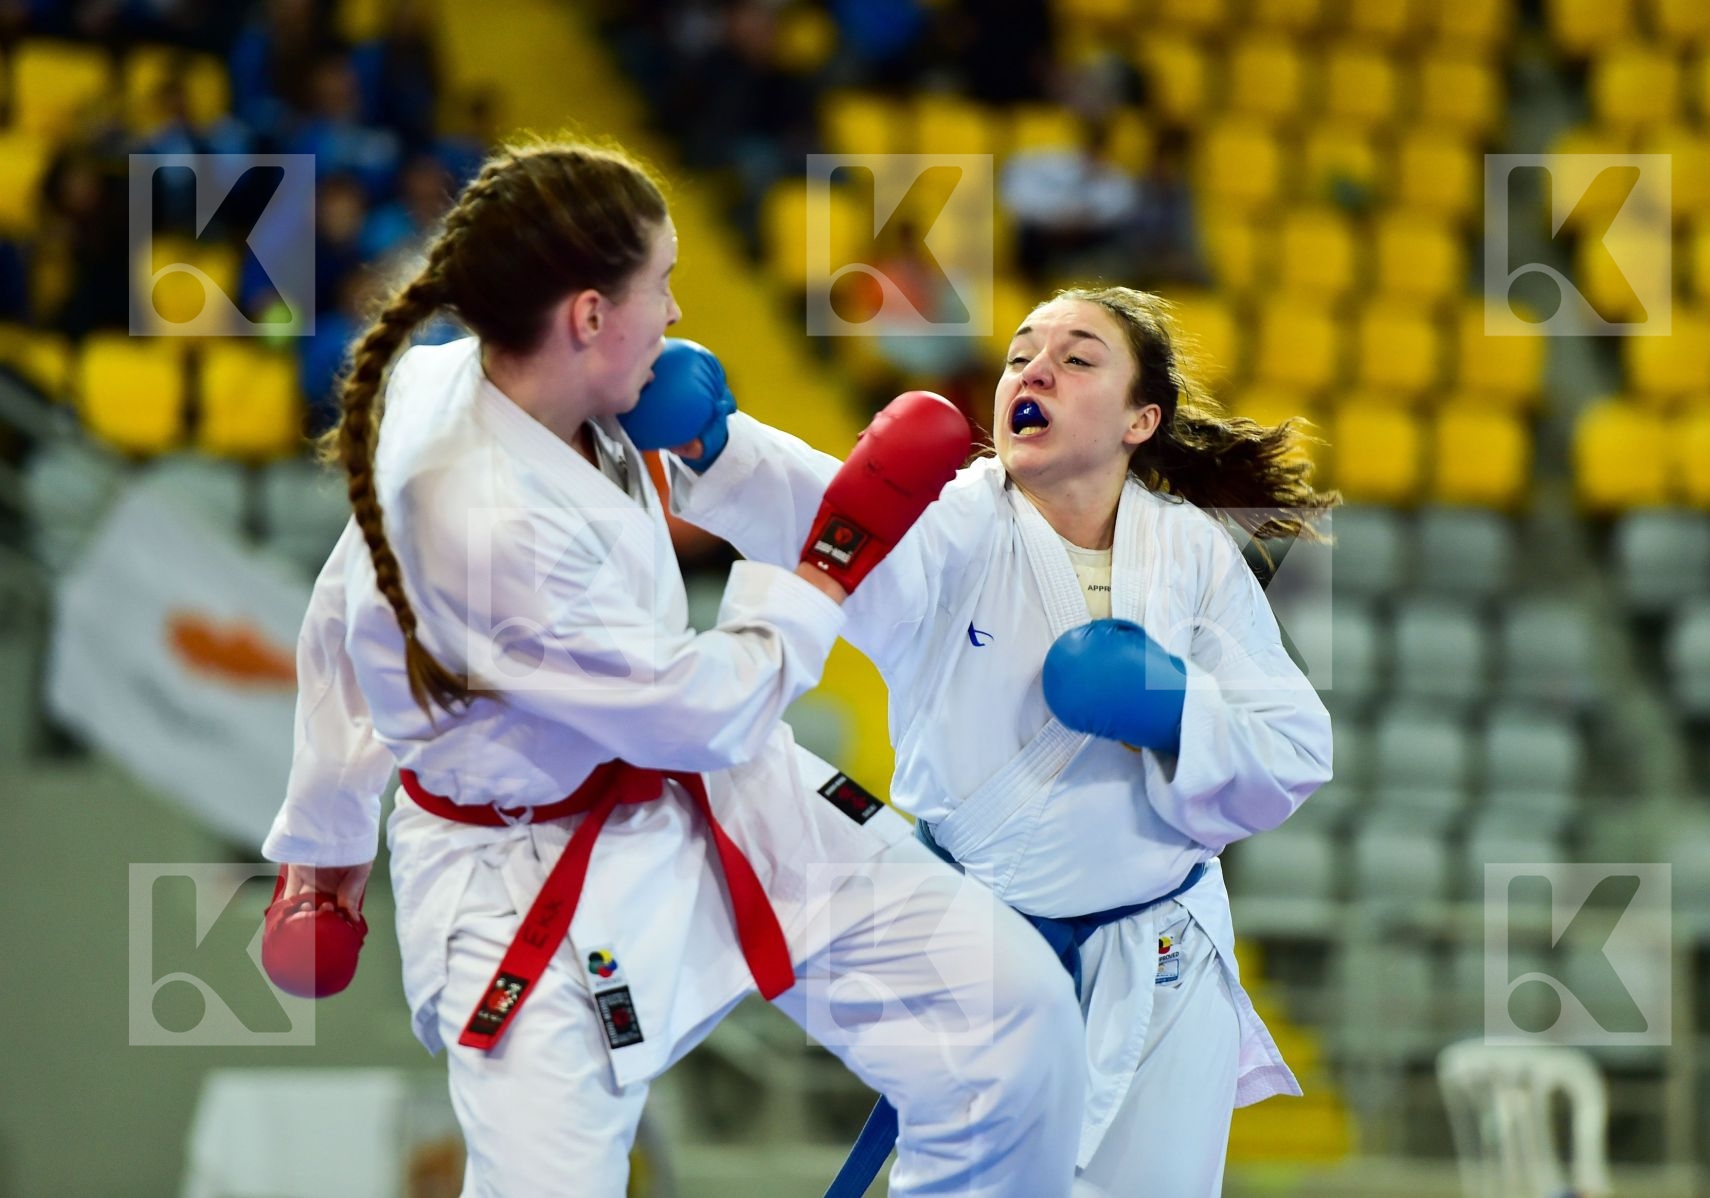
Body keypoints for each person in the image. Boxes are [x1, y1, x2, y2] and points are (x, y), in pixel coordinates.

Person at [261, 139, 1087, 1197]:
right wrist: (826, 568)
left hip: (712, 794)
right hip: (523, 878)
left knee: (1011, 1016)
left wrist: (321, 841)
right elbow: (699, 711)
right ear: (588, 317)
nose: (679, 313)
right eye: (662, 285)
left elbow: (344, 603)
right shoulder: (480, 517)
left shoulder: (458, 381)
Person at [660, 285, 1337, 1198]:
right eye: (1021, 356)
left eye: (1077, 358)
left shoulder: (1192, 553)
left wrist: (1181, 715)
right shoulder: (956, 525)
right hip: (978, 956)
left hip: (1161, 969)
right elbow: (839, 504)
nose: (1034, 370)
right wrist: (720, 446)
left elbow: (1295, 746)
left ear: (1140, 421)